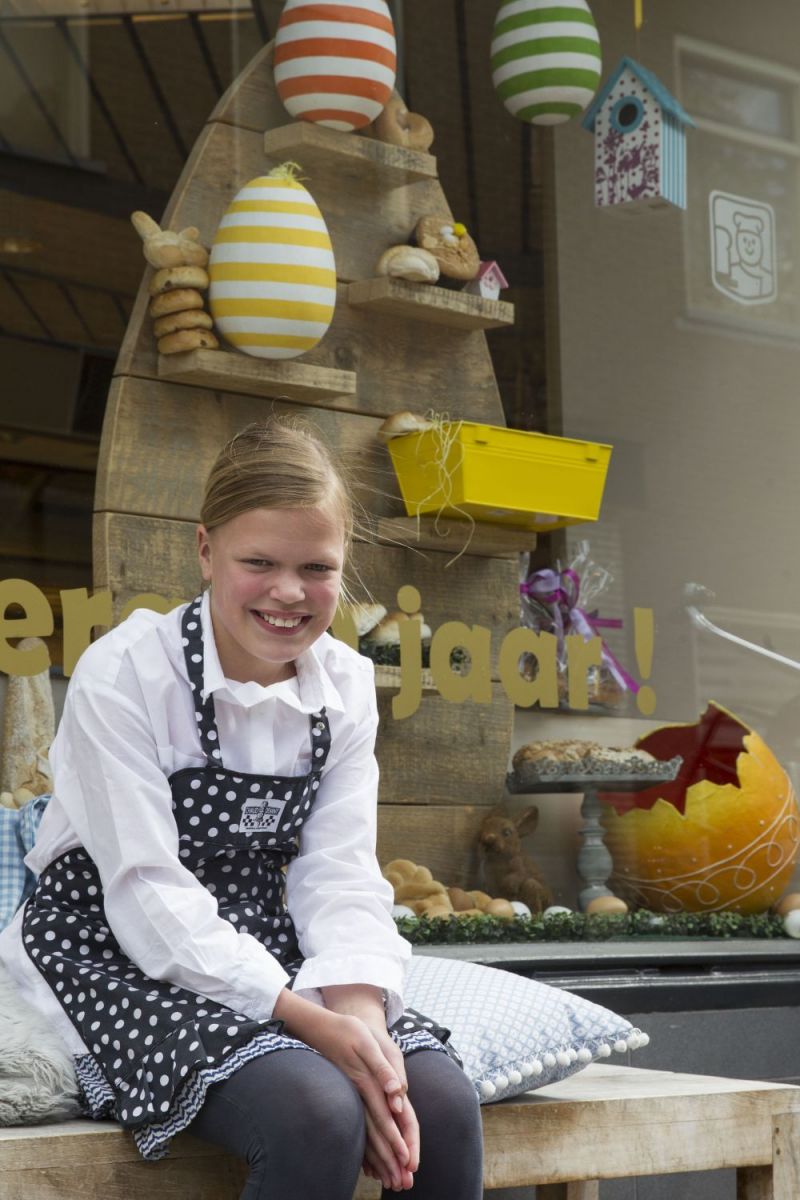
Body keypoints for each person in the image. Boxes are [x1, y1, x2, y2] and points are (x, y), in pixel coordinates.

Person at [0, 418, 483, 1198]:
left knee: (439, 1103)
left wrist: (360, 1018)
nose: (288, 592)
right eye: (258, 562)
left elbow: (337, 873)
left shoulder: (345, 688)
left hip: (262, 939)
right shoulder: (124, 673)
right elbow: (145, 889)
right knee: (315, 1112)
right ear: (204, 551)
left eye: (316, 568)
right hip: (117, 945)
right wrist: (305, 1018)